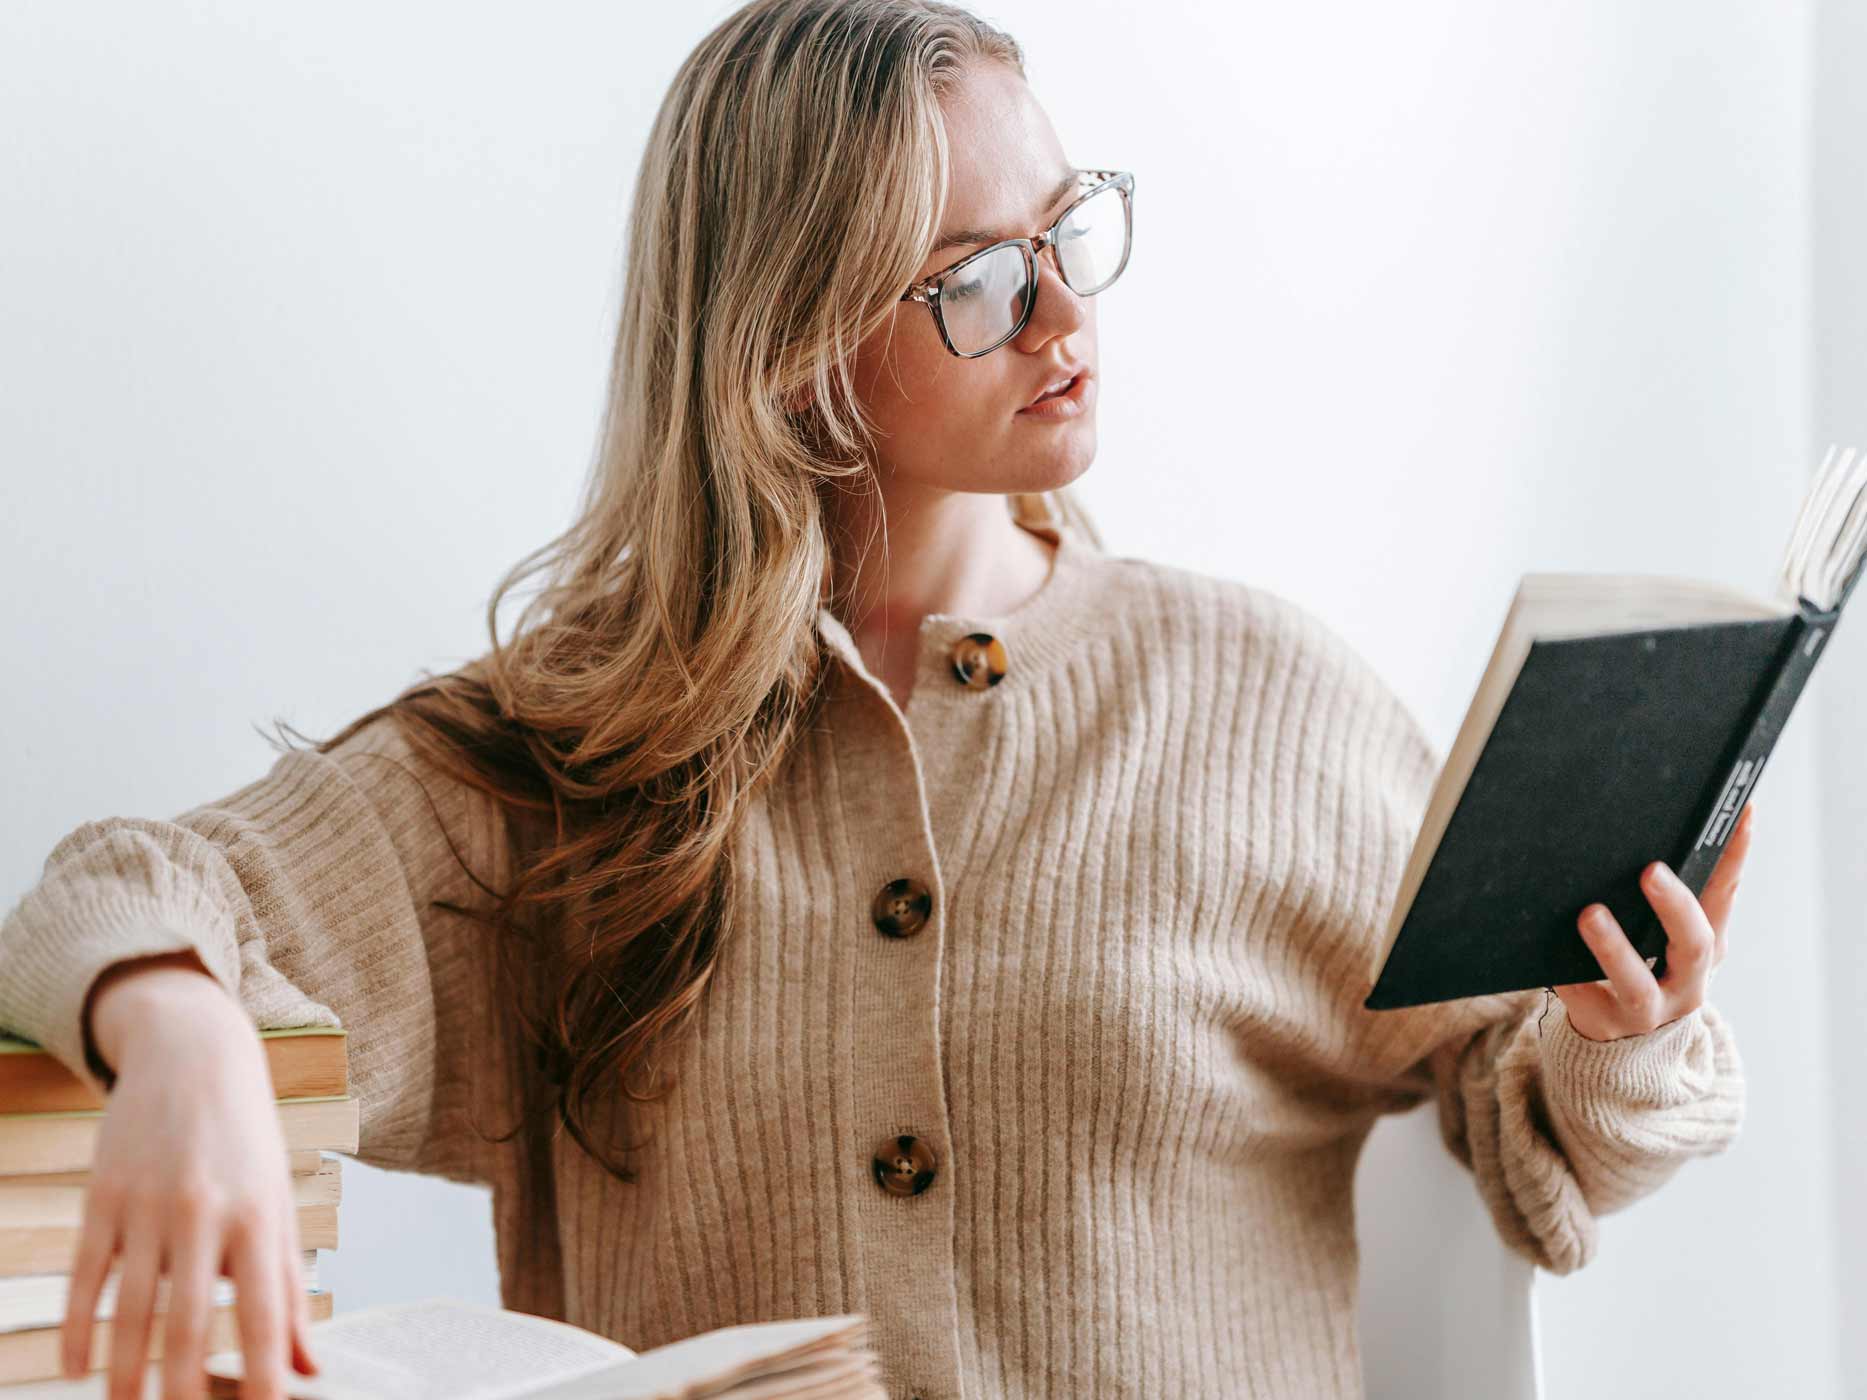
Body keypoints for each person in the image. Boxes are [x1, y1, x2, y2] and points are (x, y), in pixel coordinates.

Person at [0, 2, 1751, 1398]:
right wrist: (183, 1036)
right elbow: (134, 883)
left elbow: (1534, 1142)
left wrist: (1622, 1034)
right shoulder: (573, 763)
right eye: (979, 280)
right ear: (789, 341)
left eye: (1070, 227)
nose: (1064, 309)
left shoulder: (1257, 702)